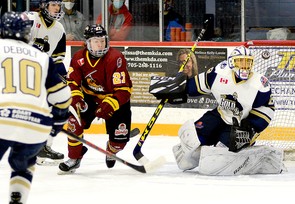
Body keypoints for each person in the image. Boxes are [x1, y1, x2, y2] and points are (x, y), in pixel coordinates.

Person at [150, 45, 283, 175]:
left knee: (220, 154)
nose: (244, 66)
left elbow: (267, 109)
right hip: (220, 115)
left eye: (248, 62)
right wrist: (176, 88)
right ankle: (199, 151)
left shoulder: (259, 85)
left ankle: (258, 157)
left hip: (241, 123)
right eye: (240, 61)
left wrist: (251, 126)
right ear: (231, 63)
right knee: (192, 138)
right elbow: (196, 85)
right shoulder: (218, 73)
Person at [0, 11, 71, 204]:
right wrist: (56, 124)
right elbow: (62, 97)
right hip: (35, 125)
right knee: (23, 166)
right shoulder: (42, 57)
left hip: (2, 117)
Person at [59, 24, 133, 173]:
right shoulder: (79, 57)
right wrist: (77, 99)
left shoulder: (116, 58)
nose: (100, 44)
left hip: (114, 99)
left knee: (119, 141)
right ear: (87, 43)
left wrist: (109, 105)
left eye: (102, 40)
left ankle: (111, 149)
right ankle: (74, 158)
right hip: (90, 97)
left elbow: (124, 90)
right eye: (95, 41)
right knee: (74, 119)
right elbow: (72, 82)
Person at [25, 0, 68, 164]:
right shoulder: (30, 19)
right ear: (44, 6)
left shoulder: (59, 29)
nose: (57, 8)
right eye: (53, 5)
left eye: (59, 5)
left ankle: (40, 147)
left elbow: (57, 58)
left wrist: (63, 76)